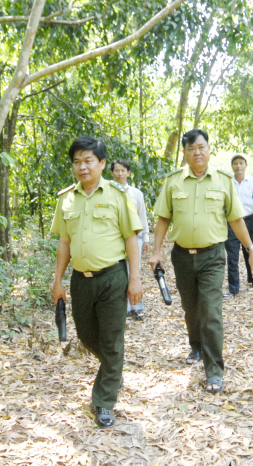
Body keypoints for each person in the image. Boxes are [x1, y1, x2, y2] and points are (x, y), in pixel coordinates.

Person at [149, 129, 253, 394]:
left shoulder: (223, 181)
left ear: (209, 149)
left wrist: (251, 249)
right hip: (182, 256)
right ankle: (195, 345)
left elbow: (236, 219)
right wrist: (156, 252)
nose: (197, 152)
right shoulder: (173, 182)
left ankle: (214, 371)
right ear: (185, 153)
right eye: (191, 148)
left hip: (212, 256)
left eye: (201, 147)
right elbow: (163, 217)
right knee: (191, 308)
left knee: (211, 312)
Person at [51, 136, 143, 428]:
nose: (82, 167)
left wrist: (135, 279)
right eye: (77, 161)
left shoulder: (118, 196)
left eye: (88, 160)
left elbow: (131, 239)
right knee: (87, 336)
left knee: (113, 340)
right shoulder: (66, 199)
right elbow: (64, 243)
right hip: (81, 281)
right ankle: (114, 370)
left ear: (102, 163)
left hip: (113, 278)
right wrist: (58, 281)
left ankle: (104, 401)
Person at [110, 160, 150, 320]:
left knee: (134, 270)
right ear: (112, 173)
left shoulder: (136, 193)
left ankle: (138, 307)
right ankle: (124, 308)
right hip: (116, 238)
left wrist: (146, 238)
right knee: (120, 272)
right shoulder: (108, 193)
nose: (120, 174)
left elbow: (142, 217)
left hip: (136, 236)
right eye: (117, 171)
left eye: (123, 170)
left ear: (128, 173)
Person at [225, 153, 253, 299]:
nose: (238, 166)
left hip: (249, 220)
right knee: (232, 254)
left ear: (246, 165)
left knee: (252, 250)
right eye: (235, 163)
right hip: (231, 221)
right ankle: (233, 288)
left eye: (241, 163)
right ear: (232, 166)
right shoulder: (227, 182)